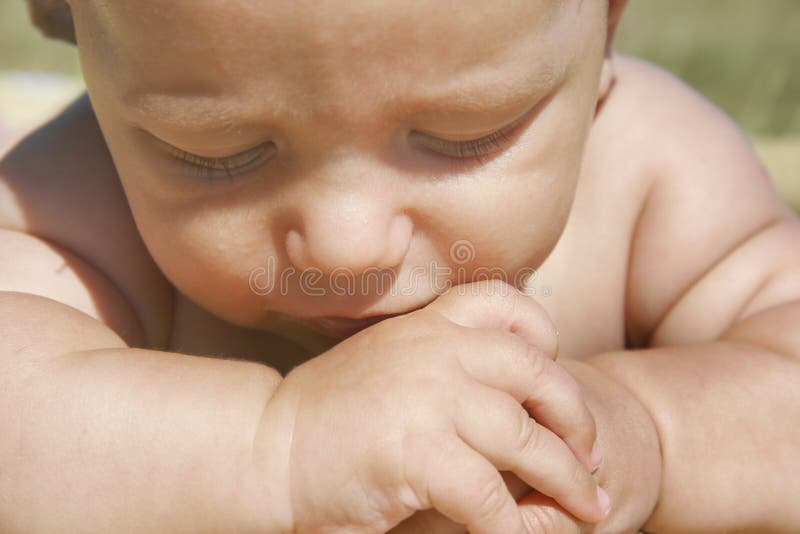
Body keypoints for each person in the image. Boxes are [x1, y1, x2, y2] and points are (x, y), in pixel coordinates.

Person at [1, 0, 798, 532]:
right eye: (217, 152)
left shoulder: (648, 170)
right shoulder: (77, 197)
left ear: (605, 29)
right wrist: (276, 448)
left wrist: (656, 426)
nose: (349, 245)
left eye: (465, 133)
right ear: (67, 19)